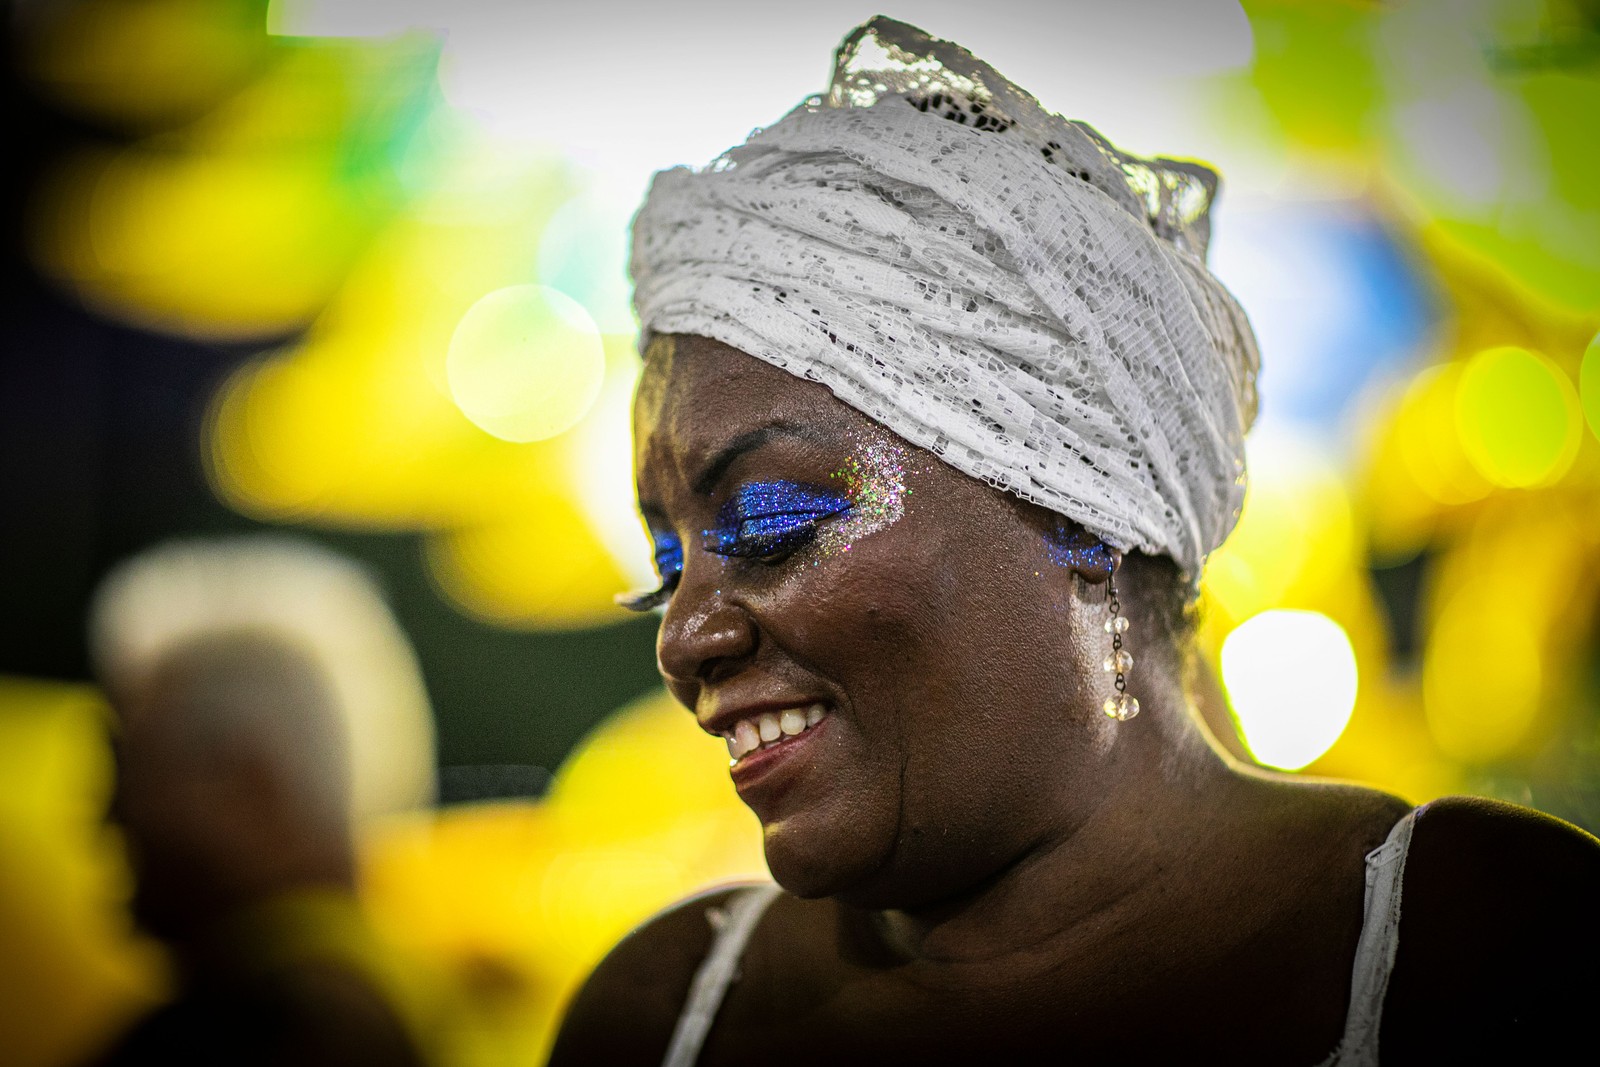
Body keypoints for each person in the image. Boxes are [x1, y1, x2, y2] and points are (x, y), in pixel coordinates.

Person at [548, 17, 1600, 1067]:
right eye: (668, 567)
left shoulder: (1480, 942)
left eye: (772, 525)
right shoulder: (659, 1010)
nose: (682, 638)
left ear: (1085, 509)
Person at [85, 537, 440, 1066]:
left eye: (134, 769)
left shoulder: (262, 1027)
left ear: (252, 785)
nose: (106, 817)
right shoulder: (408, 991)